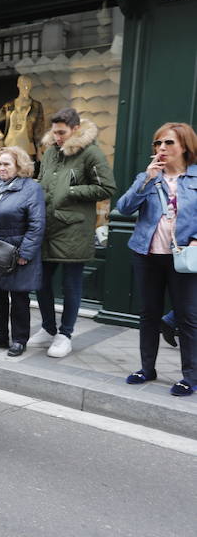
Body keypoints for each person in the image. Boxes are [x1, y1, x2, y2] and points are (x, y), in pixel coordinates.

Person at [116, 122, 197, 397]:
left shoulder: (196, 178)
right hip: (147, 254)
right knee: (148, 314)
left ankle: (190, 377)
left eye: (169, 143)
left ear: (185, 146)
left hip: (183, 257)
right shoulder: (148, 176)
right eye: (158, 143)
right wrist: (147, 179)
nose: (162, 148)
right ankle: (147, 368)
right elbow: (124, 208)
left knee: (187, 317)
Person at [29, 108, 116, 358]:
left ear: (75, 129)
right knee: (41, 282)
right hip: (48, 225)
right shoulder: (50, 152)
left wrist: (72, 191)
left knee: (70, 284)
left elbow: (108, 187)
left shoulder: (91, 153)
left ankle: (65, 334)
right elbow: (44, 180)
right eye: (54, 132)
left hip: (75, 228)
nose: (57, 137)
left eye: (62, 132)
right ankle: (48, 327)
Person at [0, 147, 46, 356]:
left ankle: (19, 339)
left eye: (7, 164)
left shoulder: (31, 188)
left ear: (19, 166)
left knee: (19, 298)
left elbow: (37, 225)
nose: (1, 168)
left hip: (17, 250)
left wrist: (25, 253)